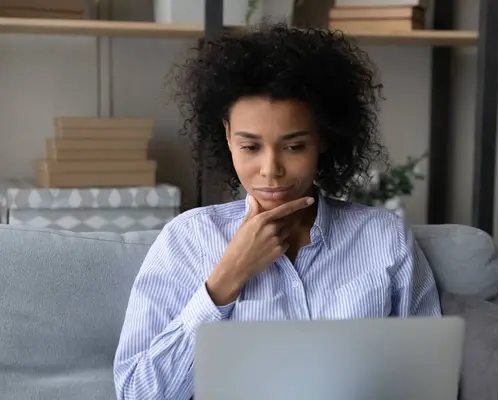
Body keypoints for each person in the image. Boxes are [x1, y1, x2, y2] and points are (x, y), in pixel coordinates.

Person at [113, 22, 441, 400]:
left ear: (323, 138)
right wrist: (224, 282)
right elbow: (137, 393)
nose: (271, 170)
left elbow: (427, 382)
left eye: (294, 146)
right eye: (250, 147)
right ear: (227, 137)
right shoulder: (186, 240)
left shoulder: (385, 239)